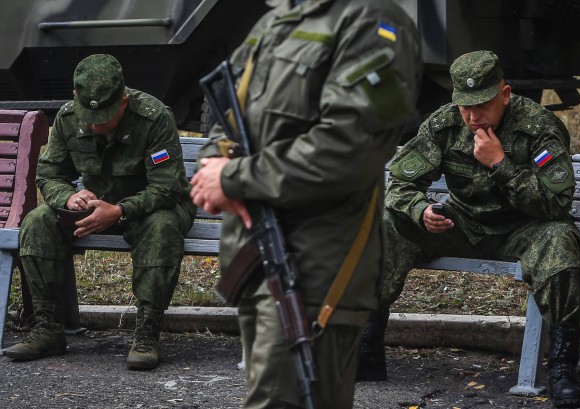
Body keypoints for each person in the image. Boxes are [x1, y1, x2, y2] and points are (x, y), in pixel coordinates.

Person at [190, 0, 422, 407]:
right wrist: (215, 160)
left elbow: (350, 147)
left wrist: (234, 178)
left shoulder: (374, 22)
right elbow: (225, 112)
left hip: (314, 271)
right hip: (253, 254)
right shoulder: (276, 19)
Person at [357, 50, 580, 408]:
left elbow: (555, 205)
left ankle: (562, 371)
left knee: (559, 243)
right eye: (465, 105)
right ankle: (366, 350)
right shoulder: (445, 124)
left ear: (505, 94)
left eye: (481, 105)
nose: (472, 116)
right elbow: (401, 186)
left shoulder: (538, 127)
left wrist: (500, 164)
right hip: (461, 224)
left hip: (522, 231)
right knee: (387, 226)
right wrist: (421, 213)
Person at [5, 54, 196, 371]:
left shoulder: (153, 117)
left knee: (161, 227)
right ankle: (47, 329)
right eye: (89, 116)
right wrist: (69, 198)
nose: (94, 124)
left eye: (104, 116)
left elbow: (167, 188)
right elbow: (49, 174)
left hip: (152, 206)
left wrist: (119, 211)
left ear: (123, 101)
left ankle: (147, 333)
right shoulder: (68, 118)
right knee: (37, 222)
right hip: (96, 205)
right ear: (75, 97)